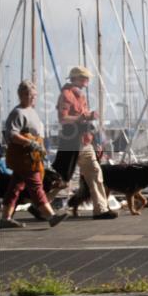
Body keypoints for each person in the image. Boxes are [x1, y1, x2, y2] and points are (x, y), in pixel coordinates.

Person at [0, 81, 67, 229]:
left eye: (34, 95)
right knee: (36, 186)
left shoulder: (31, 111)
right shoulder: (18, 113)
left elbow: (37, 134)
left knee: (14, 188)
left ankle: (5, 217)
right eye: (28, 95)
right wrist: (30, 143)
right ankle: (51, 216)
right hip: (24, 158)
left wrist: (40, 148)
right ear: (21, 95)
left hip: (32, 157)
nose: (32, 98)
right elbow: (11, 134)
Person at [54, 66, 116, 220]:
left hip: (84, 141)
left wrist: (89, 115)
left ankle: (101, 209)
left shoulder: (79, 95)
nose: (87, 81)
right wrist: (84, 118)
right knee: (63, 177)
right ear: (75, 78)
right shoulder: (66, 95)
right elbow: (63, 118)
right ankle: (39, 205)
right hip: (72, 143)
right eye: (84, 78)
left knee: (95, 172)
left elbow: (80, 115)